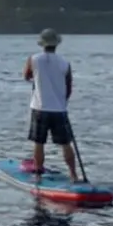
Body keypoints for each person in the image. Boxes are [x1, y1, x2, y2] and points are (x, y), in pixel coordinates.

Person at [23, 27, 79, 182]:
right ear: (56, 44)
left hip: (40, 107)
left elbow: (26, 76)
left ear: (42, 44)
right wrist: (62, 103)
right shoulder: (65, 63)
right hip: (59, 109)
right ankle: (73, 174)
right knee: (66, 143)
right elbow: (69, 88)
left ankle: (38, 175)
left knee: (39, 142)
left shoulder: (33, 59)